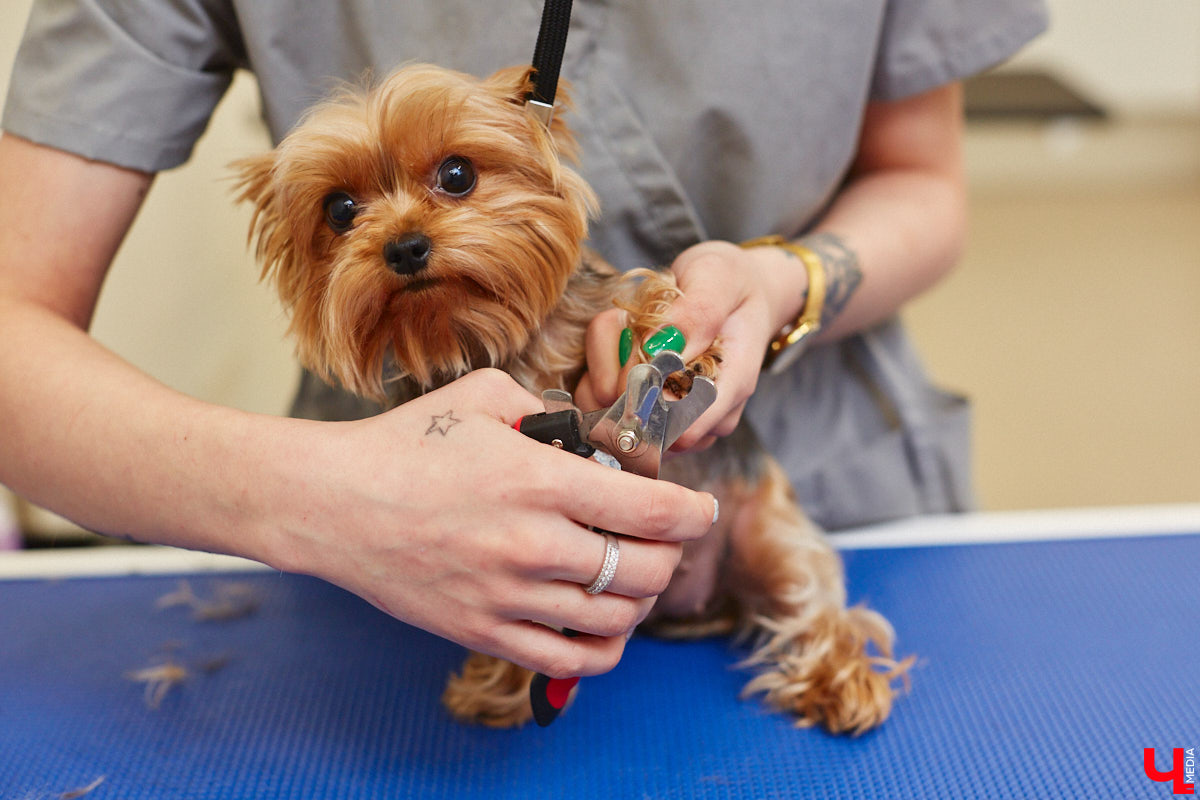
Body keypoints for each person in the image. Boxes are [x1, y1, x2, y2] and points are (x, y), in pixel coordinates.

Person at [0, 1, 1046, 677]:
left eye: (454, 177)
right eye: (345, 212)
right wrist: (322, 499)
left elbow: (924, 182)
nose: (401, 234)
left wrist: (781, 284)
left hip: (827, 482)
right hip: (385, 579)